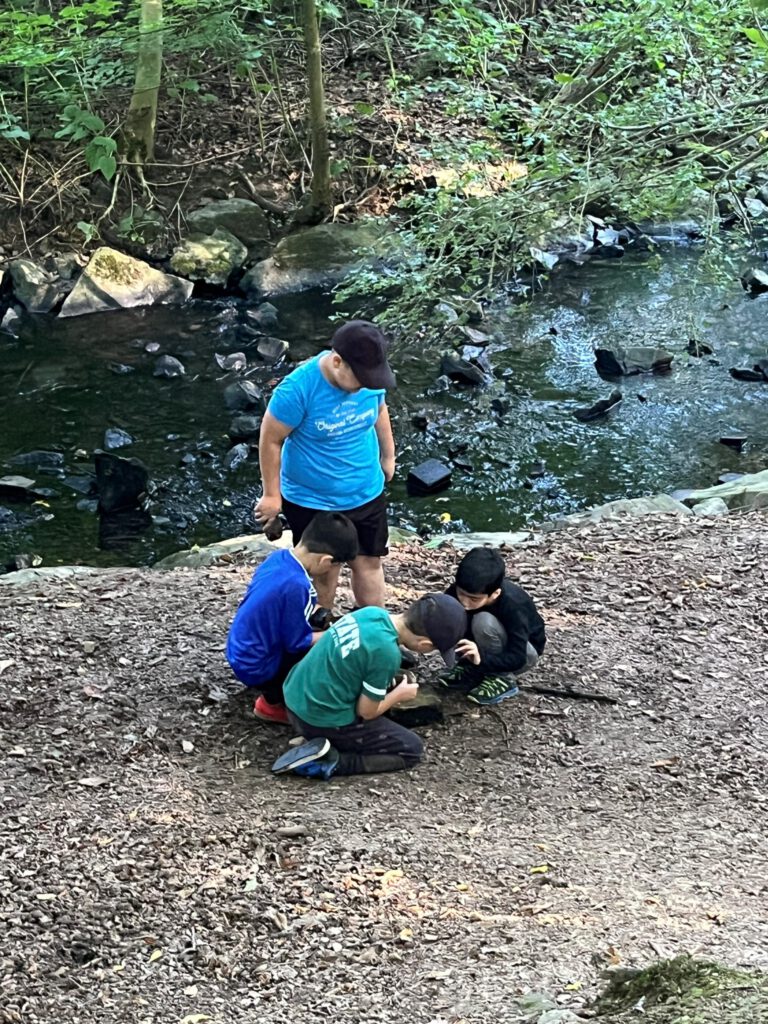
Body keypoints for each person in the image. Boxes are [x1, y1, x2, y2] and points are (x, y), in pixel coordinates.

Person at [254, 320, 396, 612]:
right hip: (312, 499)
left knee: (368, 561)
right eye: (360, 379)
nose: (364, 387)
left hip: (365, 491)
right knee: (324, 567)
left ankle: (376, 629)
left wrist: (388, 456)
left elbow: (380, 411)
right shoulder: (298, 389)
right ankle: (322, 629)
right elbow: (270, 440)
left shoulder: (370, 382)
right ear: (337, 361)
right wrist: (271, 495)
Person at [270, 594, 467, 780]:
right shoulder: (386, 652)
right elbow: (367, 712)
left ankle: (314, 741)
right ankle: (330, 761)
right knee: (411, 749)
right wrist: (399, 695)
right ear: (424, 643)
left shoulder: (371, 613)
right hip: (320, 720)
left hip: (295, 699)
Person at [226, 512, 359, 725]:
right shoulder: (296, 585)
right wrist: (336, 633)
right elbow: (298, 642)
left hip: (241, 650)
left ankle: (277, 691)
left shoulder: (280, 559)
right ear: (325, 560)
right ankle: (273, 703)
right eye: (335, 565)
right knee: (325, 651)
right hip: (257, 666)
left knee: (320, 633)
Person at [440, 547, 546, 706]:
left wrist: (481, 659)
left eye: (474, 599)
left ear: (495, 594)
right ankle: (474, 668)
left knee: (483, 621)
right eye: (461, 594)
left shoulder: (514, 605)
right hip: (484, 648)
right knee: (450, 612)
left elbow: (518, 657)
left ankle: (502, 677)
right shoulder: (455, 593)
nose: (465, 602)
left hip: (524, 653)